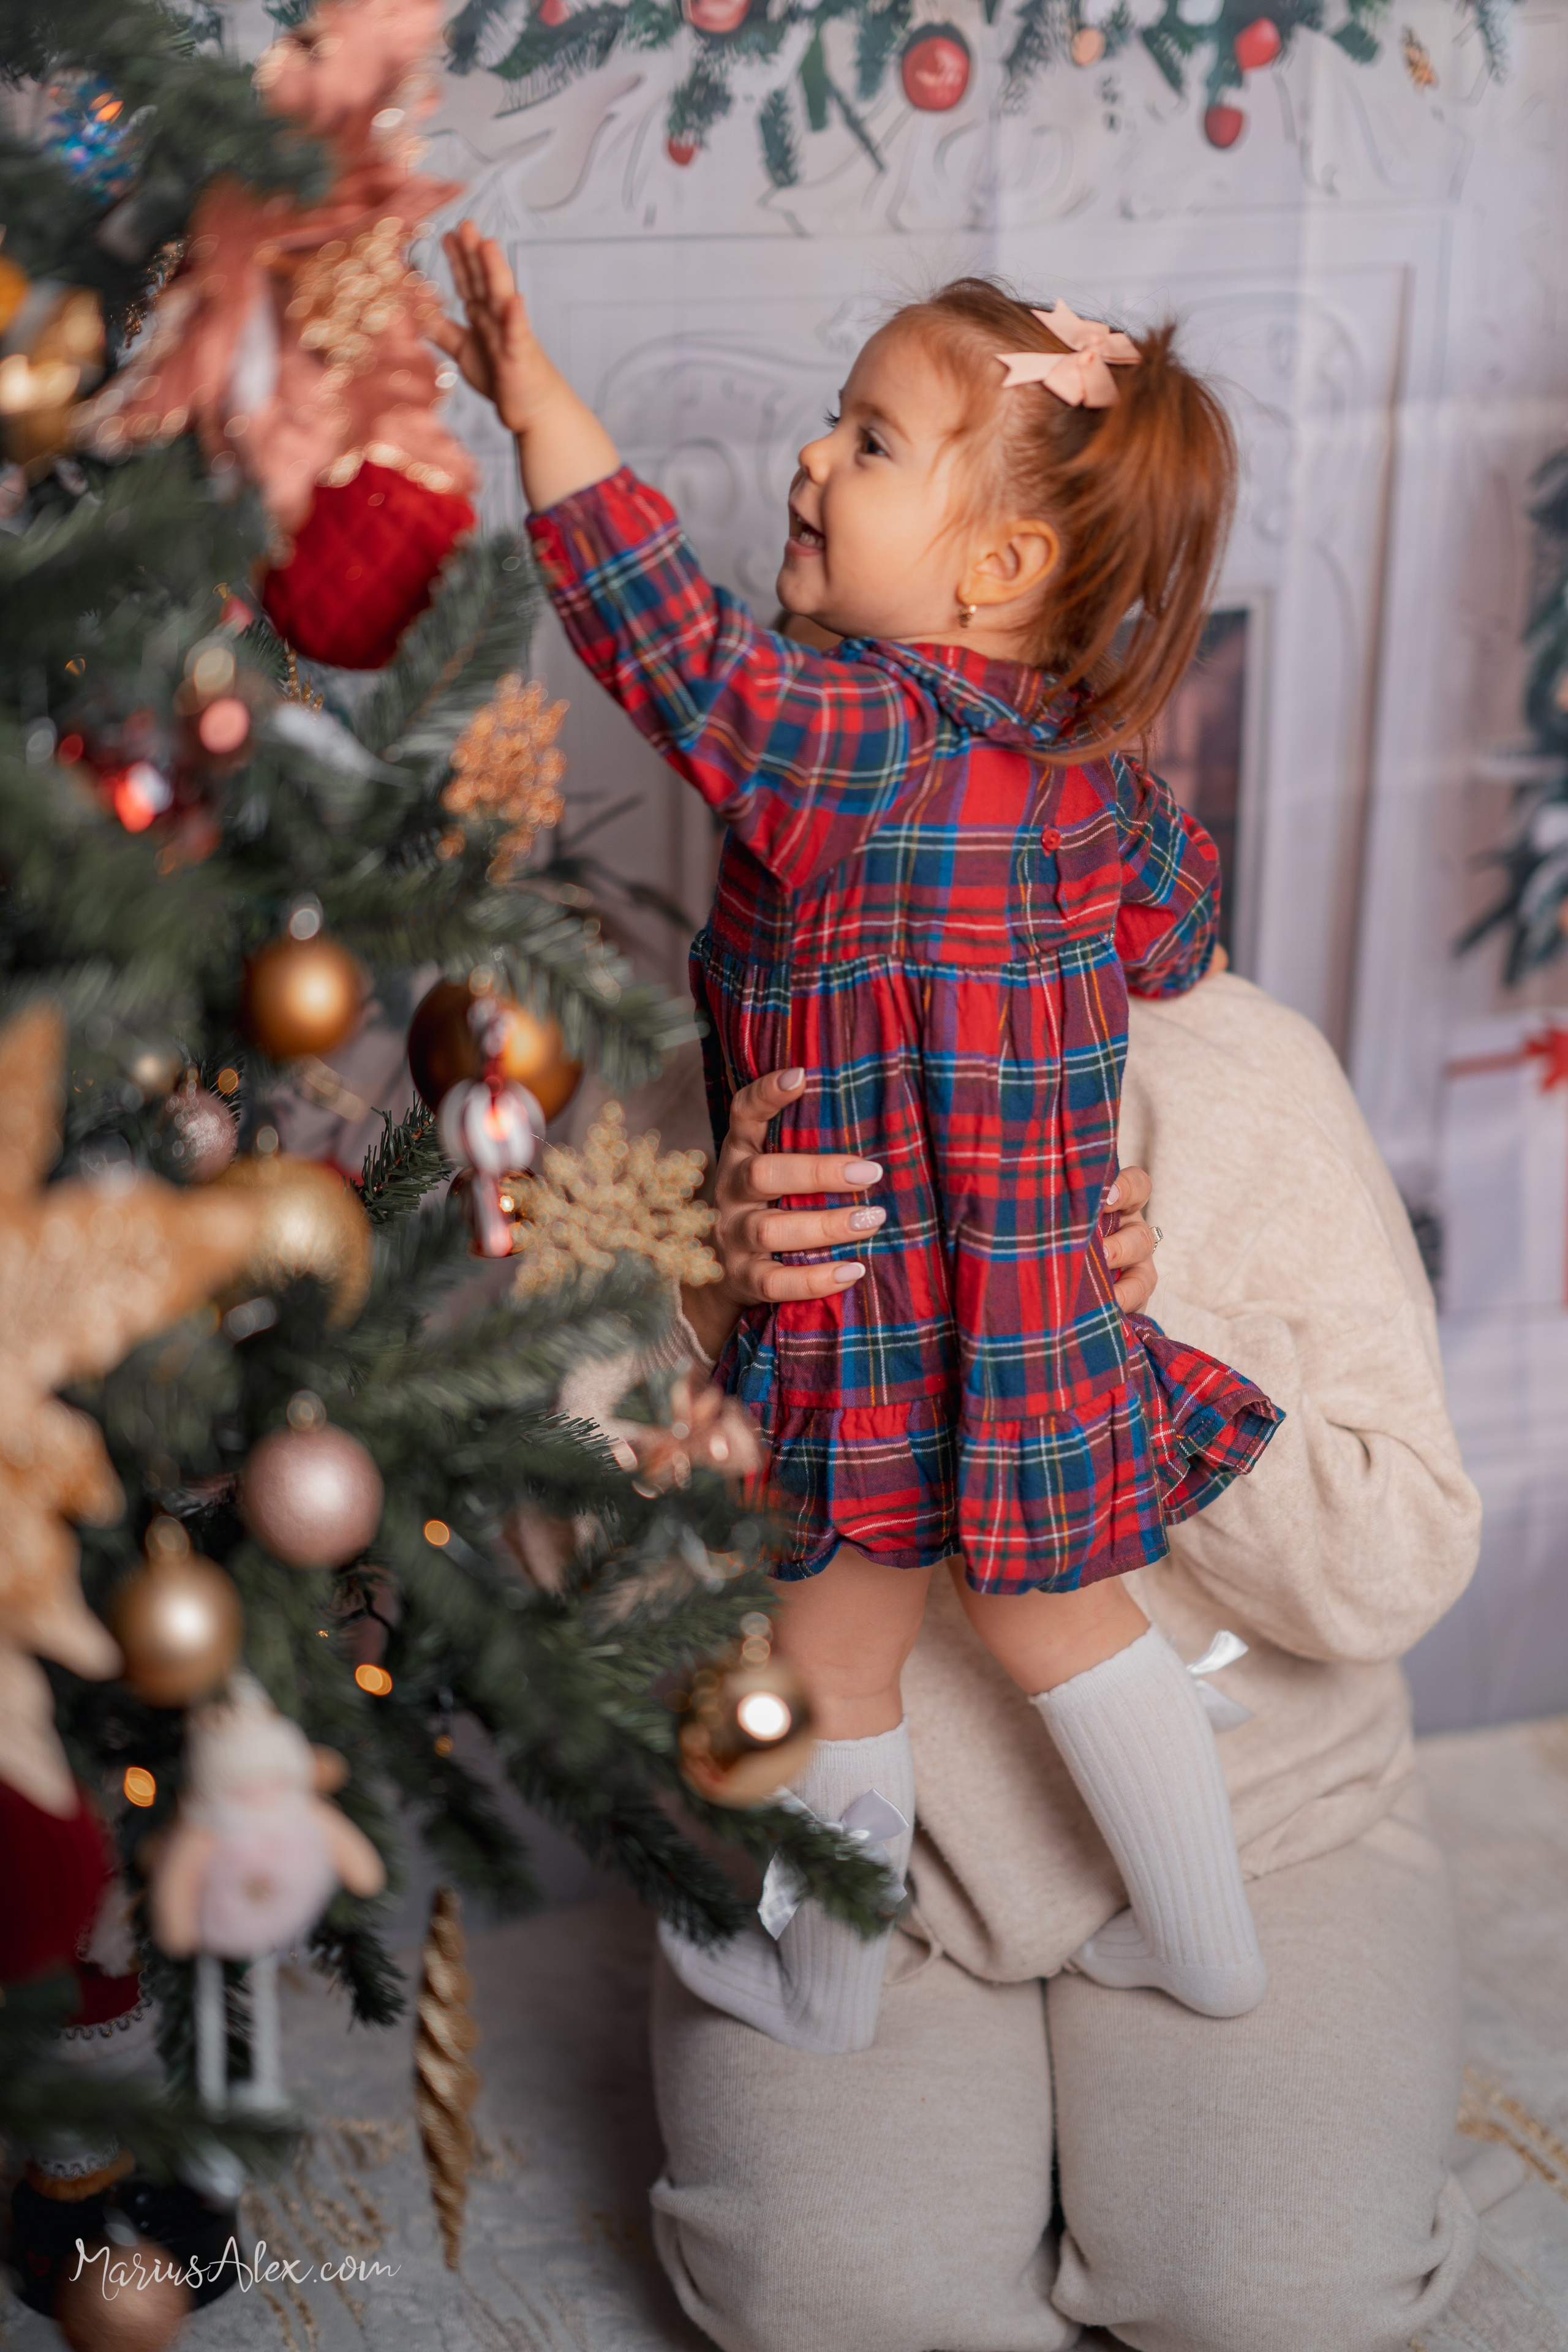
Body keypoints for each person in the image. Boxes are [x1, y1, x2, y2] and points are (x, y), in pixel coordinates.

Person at [438, 235, 1283, 2047]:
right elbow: (1181, 944)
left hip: (881, 1328)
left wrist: (542, 409)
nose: (814, 461)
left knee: (834, 1665)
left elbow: (669, 645)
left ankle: (824, 1989)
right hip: (1041, 1320)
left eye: (872, 442)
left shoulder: (851, 743)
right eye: (835, 422)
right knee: (1074, 1627)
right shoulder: (1092, 769)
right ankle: (1207, 1942)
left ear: (999, 567)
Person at [650, 974, 1483, 2352]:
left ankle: (1188, 1968)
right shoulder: (733, 1078)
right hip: (873, 1859)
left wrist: (1139, 1366)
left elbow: (1394, 1565)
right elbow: (547, 1580)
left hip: (1265, 1820)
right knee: (837, 2298)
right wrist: (708, 1303)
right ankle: (875, 1992)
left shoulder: (1237, 1066)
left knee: (1283, 2295)